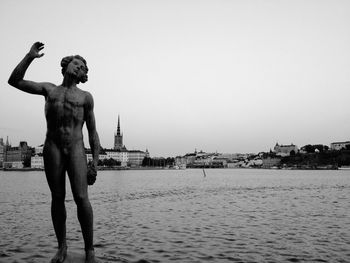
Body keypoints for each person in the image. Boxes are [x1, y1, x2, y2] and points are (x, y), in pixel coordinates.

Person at [8, 42, 100, 263]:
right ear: (67, 65)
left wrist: (94, 163)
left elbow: (93, 133)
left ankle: (90, 250)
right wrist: (29, 56)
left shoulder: (86, 97)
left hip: (76, 148)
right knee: (57, 198)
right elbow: (15, 81)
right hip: (53, 148)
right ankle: (62, 247)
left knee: (81, 198)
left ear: (83, 76)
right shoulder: (49, 90)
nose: (79, 68)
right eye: (76, 64)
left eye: (82, 68)